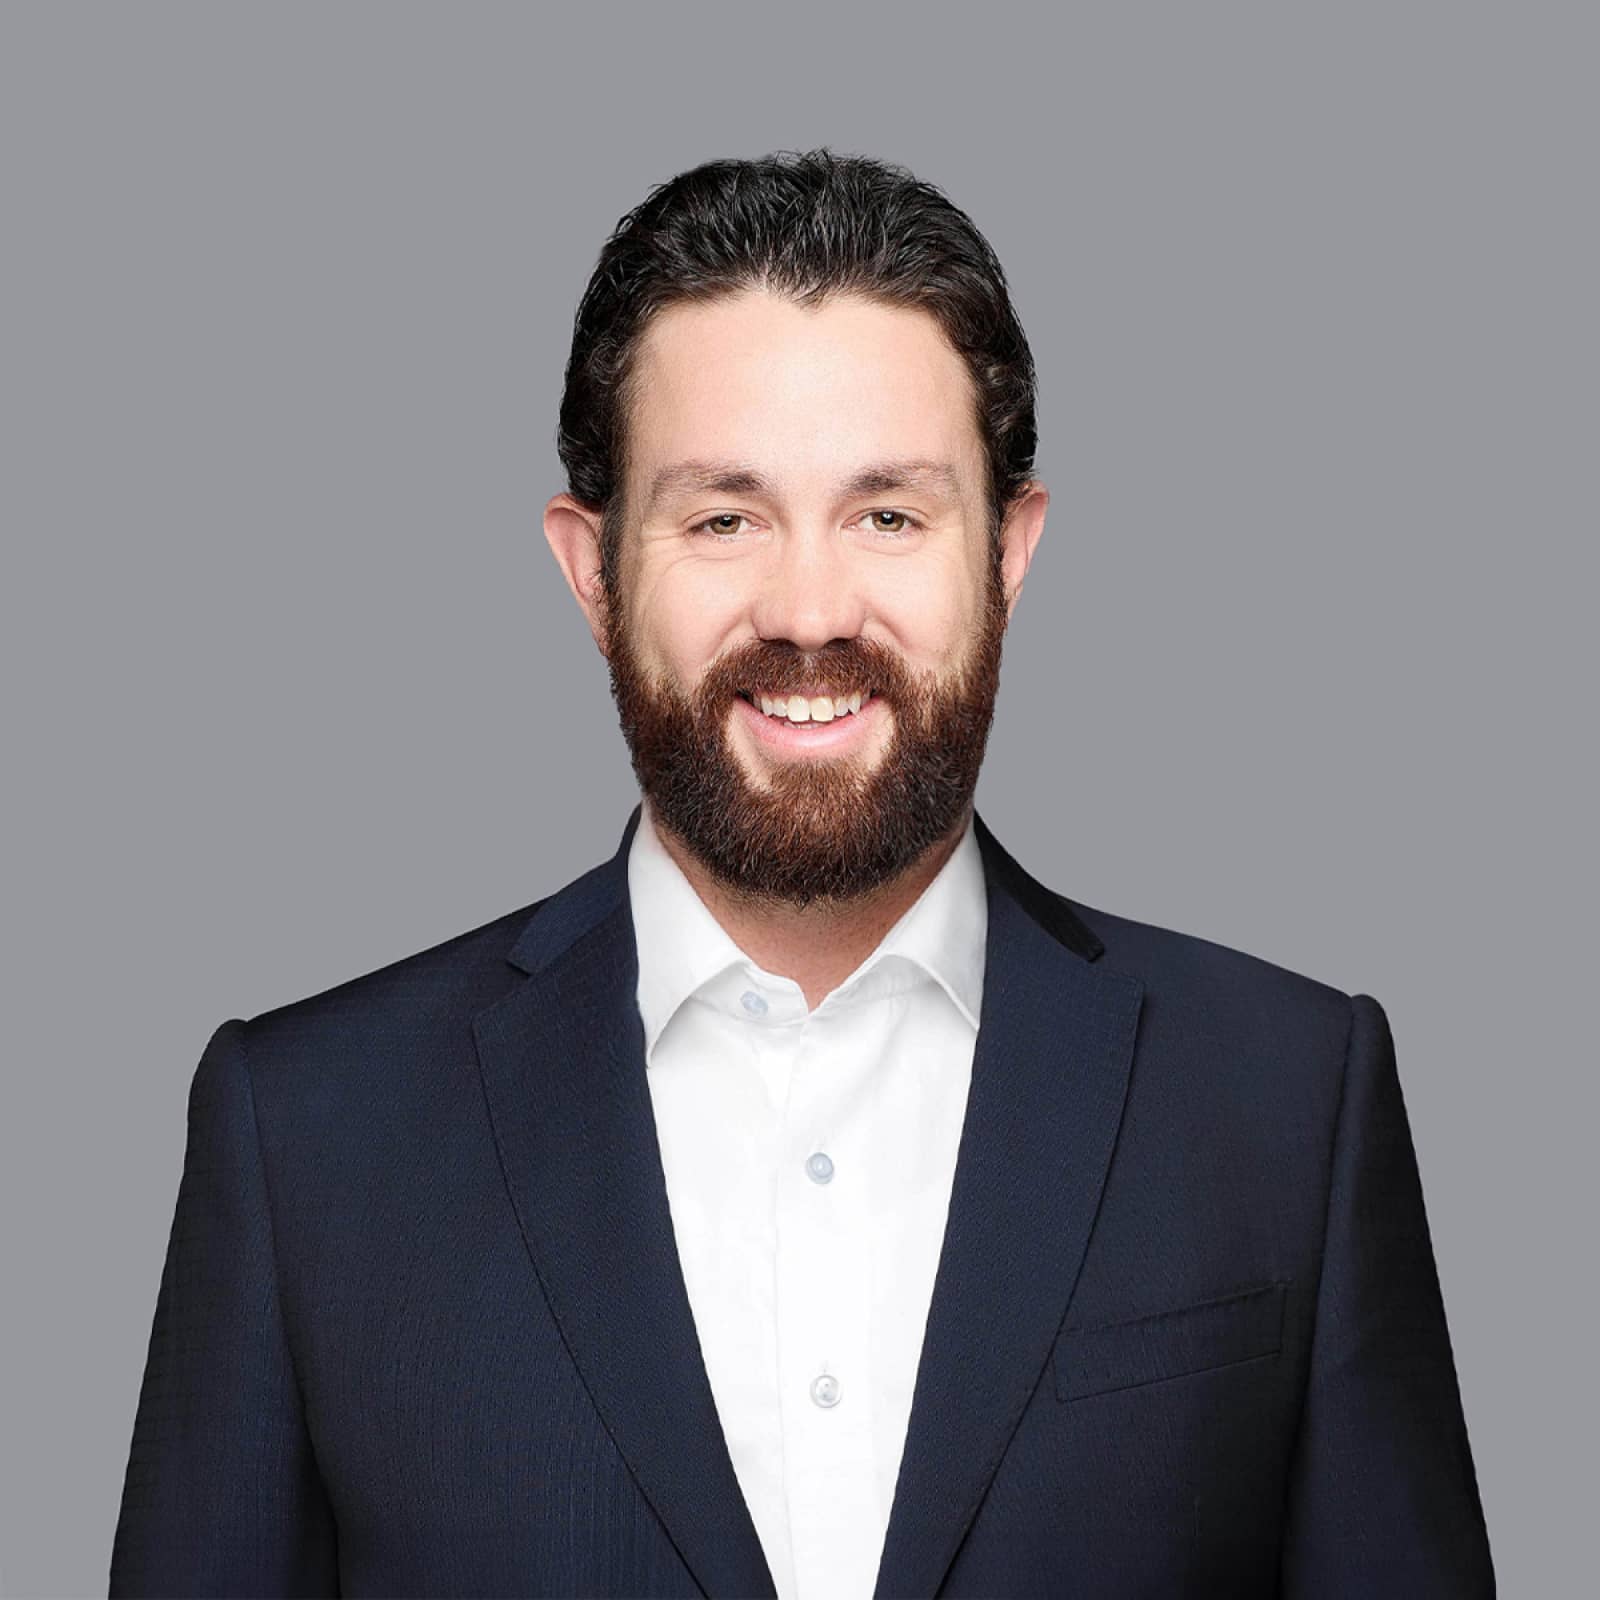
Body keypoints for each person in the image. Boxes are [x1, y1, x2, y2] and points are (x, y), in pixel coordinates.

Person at [110, 149, 1494, 1598]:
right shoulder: (307, 1140)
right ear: (592, 573)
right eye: (724, 518)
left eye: (889, 514)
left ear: (1009, 553)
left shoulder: (1288, 1101)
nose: (812, 611)